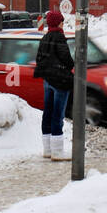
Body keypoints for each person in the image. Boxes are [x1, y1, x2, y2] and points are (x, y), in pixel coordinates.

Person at [33, 9, 74, 161]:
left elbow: (39, 59)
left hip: (47, 80)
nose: (63, 24)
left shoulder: (45, 38)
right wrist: (70, 65)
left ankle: (47, 150)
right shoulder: (59, 38)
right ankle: (57, 152)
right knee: (58, 114)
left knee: (48, 113)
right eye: (62, 21)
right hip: (60, 81)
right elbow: (67, 60)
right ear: (58, 23)